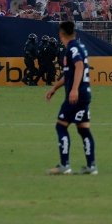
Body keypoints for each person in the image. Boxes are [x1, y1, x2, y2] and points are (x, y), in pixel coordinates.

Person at [45, 21, 97, 175]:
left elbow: (79, 66)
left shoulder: (73, 48)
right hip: (84, 94)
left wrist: (74, 89)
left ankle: (64, 164)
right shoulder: (80, 47)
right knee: (83, 129)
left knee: (61, 126)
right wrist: (54, 87)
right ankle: (91, 166)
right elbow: (70, 73)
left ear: (61, 34)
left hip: (77, 95)